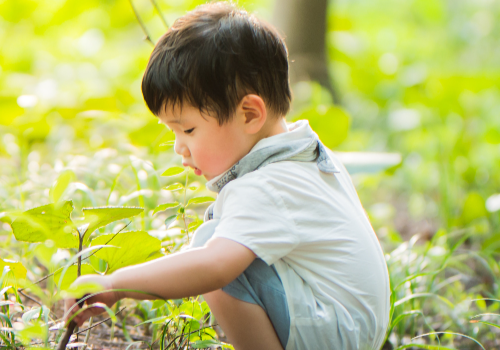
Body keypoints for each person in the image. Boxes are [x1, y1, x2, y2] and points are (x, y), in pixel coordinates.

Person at [65, 2, 390, 349]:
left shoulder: (268, 186)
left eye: (188, 129)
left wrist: (116, 283)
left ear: (250, 114)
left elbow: (216, 266)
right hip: (347, 325)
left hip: (335, 332)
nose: (179, 147)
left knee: (214, 249)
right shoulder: (303, 152)